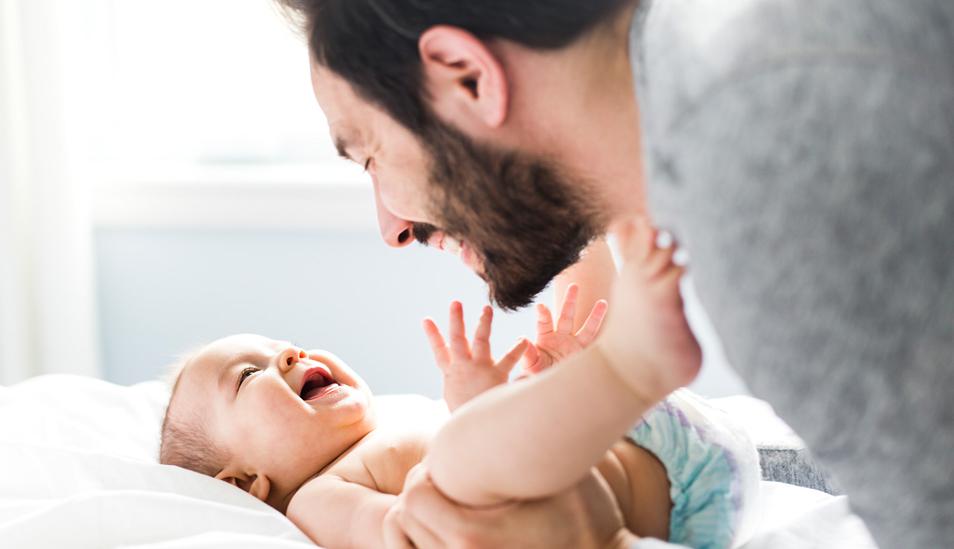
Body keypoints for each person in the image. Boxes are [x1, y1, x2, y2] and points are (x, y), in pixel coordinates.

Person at [276, 0, 954, 547]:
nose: (391, 228)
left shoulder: (762, 167)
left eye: (369, 155)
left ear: (468, 77)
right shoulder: (730, 76)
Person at [158, 233, 761, 548]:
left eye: (286, 344)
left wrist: (534, 397)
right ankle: (630, 363)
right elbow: (413, 533)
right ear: (244, 484)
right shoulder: (317, 500)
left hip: (646, 440)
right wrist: (481, 419)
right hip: (663, 504)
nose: (292, 355)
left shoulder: (392, 427)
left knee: (565, 341)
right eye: (249, 375)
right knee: (459, 459)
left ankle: (585, 239)